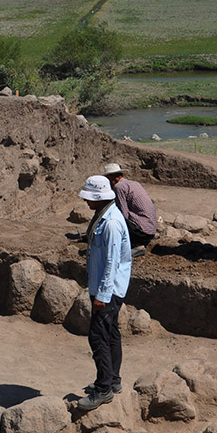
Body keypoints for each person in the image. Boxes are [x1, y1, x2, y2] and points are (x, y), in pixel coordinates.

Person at [76, 174, 132, 411]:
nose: (86, 201)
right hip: (107, 287)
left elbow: (111, 262)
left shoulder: (110, 223)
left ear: (99, 198)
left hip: (107, 290)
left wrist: (102, 295)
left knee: (98, 336)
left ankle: (103, 389)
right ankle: (113, 379)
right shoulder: (104, 215)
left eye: (89, 198)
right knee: (110, 333)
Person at [102, 163, 157, 256]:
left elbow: (123, 214)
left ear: (111, 177)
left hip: (141, 232)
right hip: (150, 230)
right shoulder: (134, 183)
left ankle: (137, 246)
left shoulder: (119, 187)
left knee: (114, 220)